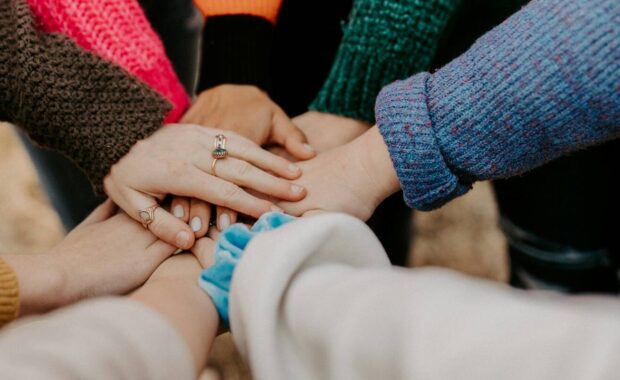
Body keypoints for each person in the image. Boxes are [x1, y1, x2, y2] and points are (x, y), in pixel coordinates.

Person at [0, 0, 305, 251]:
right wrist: (109, 122)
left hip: (160, 12)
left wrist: (236, 47)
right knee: (121, 230)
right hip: (37, 33)